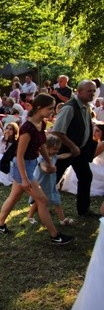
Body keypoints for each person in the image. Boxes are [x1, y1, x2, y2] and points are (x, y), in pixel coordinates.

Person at [0, 93, 74, 244]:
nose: (53, 111)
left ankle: (0, 225)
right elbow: (19, 156)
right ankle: (55, 236)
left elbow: (42, 144)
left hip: (29, 164)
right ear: (39, 108)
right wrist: (24, 178)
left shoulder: (41, 124)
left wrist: (49, 161)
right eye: (50, 108)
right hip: (22, 167)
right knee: (42, 200)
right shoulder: (26, 129)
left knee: (14, 197)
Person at [52, 80, 98, 217]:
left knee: (85, 176)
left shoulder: (87, 107)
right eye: (89, 91)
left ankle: (83, 210)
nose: (92, 94)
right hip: (65, 152)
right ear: (79, 91)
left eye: (94, 91)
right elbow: (57, 131)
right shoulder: (69, 108)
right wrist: (72, 146)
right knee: (52, 180)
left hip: (79, 152)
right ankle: (37, 205)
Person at [26, 134, 74, 225]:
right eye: (55, 149)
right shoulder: (41, 158)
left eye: (58, 149)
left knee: (56, 201)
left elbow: (62, 156)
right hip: (41, 184)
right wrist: (48, 169)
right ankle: (30, 215)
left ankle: (62, 220)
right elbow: (43, 167)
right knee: (38, 202)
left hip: (50, 184)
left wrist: (71, 153)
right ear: (46, 148)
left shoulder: (54, 156)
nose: (57, 151)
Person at [59, 123, 104, 197]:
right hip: (99, 166)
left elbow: (90, 157)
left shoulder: (102, 144)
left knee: (81, 163)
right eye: (93, 130)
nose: (94, 133)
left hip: (101, 169)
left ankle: (71, 185)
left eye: (97, 131)